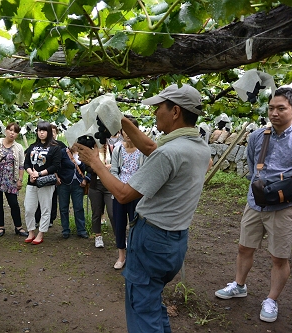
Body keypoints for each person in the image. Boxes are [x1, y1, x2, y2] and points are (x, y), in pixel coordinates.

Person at [75, 84, 210, 332]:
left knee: (141, 308)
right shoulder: (199, 147)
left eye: (159, 107)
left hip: (152, 241)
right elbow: (151, 148)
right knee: (151, 302)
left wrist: (95, 162)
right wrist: (122, 121)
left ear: (175, 111)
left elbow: (124, 195)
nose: (155, 112)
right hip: (175, 242)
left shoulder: (169, 154)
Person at [215, 86, 292, 323]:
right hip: (255, 204)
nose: (274, 113)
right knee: (244, 248)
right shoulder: (258, 136)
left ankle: (272, 299)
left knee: (279, 257)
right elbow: (251, 166)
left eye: (281, 108)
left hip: (284, 207)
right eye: (271, 108)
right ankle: (239, 285)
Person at [110, 117, 145, 270]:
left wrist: (133, 186)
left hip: (136, 192)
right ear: (121, 132)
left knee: (136, 225)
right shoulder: (118, 149)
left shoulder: (143, 150)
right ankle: (121, 256)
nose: (128, 133)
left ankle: (135, 255)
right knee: (119, 224)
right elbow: (113, 170)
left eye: (131, 129)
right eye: (125, 130)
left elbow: (145, 171)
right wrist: (121, 186)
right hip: (119, 192)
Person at [23, 121, 62, 245]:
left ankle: (41, 233)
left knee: (45, 208)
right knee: (28, 208)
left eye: (44, 130)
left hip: (45, 182)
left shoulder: (55, 147)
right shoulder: (32, 146)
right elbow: (26, 163)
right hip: (32, 182)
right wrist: (31, 173)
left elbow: (55, 166)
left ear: (49, 132)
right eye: (39, 130)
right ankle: (31, 231)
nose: (41, 132)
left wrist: (39, 174)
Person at [0, 122, 28, 237]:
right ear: (6, 130)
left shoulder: (18, 147)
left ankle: (18, 227)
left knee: (14, 203)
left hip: (11, 180)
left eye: (15, 131)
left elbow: (21, 165)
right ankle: (1, 227)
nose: (12, 133)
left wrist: (20, 180)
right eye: (10, 130)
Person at [34, 124, 65, 227]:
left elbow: (61, 163)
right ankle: (38, 218)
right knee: (40, 198)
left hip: (57, 176)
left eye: (54, 132)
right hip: (43, 174)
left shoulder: (60, 145)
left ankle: (51, 219)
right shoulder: (39, 145)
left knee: (53, 198)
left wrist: (58, 176)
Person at [87, 143, 115, 248]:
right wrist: (100, 168)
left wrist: (109, 166)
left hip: (109, 184)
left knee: (112, 212)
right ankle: (98, 236)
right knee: (96, 212)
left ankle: (119, 236)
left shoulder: (111, 148)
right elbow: (87, 168)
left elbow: (116, 164)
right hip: (96, 185)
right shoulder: (90, 150)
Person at [57, 145, 89, 239]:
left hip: (78, 183)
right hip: (64, 183)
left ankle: (81, 230)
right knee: (63, 208)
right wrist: (57, 177)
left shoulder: (83, 153)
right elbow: (56, 165)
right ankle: (65, 230)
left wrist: (86, 179)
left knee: (78, 207)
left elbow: (89, 167)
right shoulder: (62, 152)